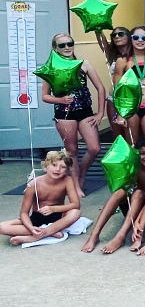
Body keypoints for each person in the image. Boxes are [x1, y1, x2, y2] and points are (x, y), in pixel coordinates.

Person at [41, 33, 105, 199]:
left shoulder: (84, 64)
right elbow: (45, 96)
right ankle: (75, 185)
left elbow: (100, 88)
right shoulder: (51, 68)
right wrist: (60, 100)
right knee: (72, 150)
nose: (67, 47)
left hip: (85, 111)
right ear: (55, 48)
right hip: (64, 114)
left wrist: (100, 113)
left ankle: (81, 172)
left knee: (95, 148)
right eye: (62, 45)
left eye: (70, 43)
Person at [81, 137, 145, 253]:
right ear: (136, 153)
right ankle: (94, 235)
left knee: (139, 193)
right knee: (119, 192)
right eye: (143, 153)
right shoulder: (132, 164)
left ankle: (121, 235)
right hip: (130, 207)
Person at [0, 151, 80, 245]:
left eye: (63, 167)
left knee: (76, 212)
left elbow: (76, 204)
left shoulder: (67, 180)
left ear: (66, 170)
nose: (58, 169)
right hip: (37, 218)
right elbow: (24, 213)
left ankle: (37, 236)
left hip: (58, 218)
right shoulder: (34, 184)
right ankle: (50, 232)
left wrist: (53, 209)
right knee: (2, 227)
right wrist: (31, 228)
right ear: (45, 167)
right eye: (54, 165)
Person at [96, 26, 131, 139]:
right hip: (113, 100)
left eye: (120, 34)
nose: (117, 36)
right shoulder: (113, 56)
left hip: (131, 100)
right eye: (114, 35)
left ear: (129, 37)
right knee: (117, 135)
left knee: (131, 135)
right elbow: (102, 43)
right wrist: (97, 28)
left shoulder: (136, 55)